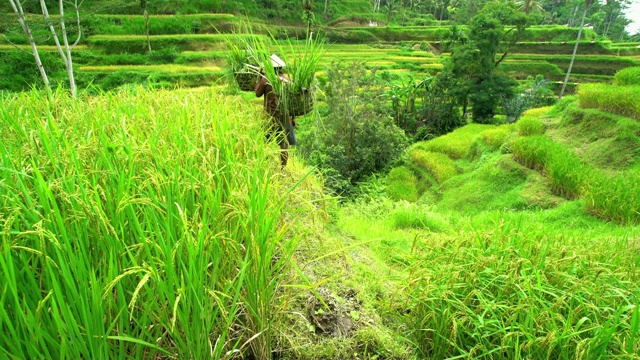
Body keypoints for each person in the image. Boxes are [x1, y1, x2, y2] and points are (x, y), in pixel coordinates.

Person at [255, 54, 297, 168]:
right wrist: (293, 118)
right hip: (285, 115)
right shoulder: (287, 79)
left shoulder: (265, 79)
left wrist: (259, 79)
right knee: (284, 143)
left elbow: (257, 93)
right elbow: (293, 101)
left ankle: (264, 164)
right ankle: (283, 168)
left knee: (264, 141)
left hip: (270, 115)